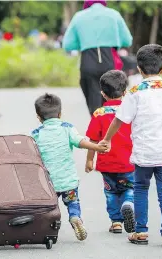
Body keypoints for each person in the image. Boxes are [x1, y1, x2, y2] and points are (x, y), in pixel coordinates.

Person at [100, 44, 162, 248]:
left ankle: (141, 232)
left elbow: (119, 120)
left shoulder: (135, 91)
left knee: (140, 189)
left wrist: (107, 139)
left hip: (144, 153)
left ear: (139, 69)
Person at [31, 93, 108, 241]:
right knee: (72, 202)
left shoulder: (36, 134)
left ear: (38, 117)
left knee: (50, 207)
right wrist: (96, 147)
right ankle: (75, 217)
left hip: (47, 183)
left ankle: (49, 227)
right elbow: (80, 142)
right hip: (68, 181)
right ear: (60, 114)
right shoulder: (67, 128)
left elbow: (29, 154)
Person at [85, 70, 135, 234]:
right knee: (130, 188)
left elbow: (92, 139)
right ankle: (128, 203)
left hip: (106, 163)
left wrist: (89, 160)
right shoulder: (131, 112)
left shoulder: (99, 113)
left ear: (103, 94)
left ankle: (116, 222)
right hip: (129, 162)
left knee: (111, 192)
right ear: (125, 92)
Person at [62, 0, 132, 116]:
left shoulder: (79, 17)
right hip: (109, 60)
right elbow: (127, 40)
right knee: (112, 100)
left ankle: (96, 128)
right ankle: (111, 129)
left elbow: (67, 44)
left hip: (88, 60)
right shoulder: (114, 14)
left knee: (93, 103)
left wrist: (84, 43)